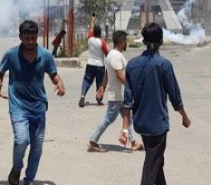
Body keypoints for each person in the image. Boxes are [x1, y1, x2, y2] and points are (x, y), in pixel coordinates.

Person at [0, 20, 66, 185]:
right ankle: (16, 167)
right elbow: (0, 72)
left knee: (37, 147)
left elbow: (53, 74)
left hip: (38, 106)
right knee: (21, 139)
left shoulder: (46, 55)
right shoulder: (11, 54)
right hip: (18, 105)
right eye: (26, 38)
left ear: (36, 37)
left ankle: (29, 179)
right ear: (20, 37)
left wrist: (59, 83)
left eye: (33, 38)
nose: (30, 42)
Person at [120, 23, 192, 185]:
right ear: (161, 42)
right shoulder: (164, 65)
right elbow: (175, 97)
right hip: (158, 124)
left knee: (156, 159)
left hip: (141, 123)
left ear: (144, 41)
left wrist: (125, 128)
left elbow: (127, 100)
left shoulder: (132, 64)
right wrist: (185, 117)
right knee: (153, 161)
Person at [88, 30, 143, 153]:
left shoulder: (111, 54)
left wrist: (102, 87)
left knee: (127, 117)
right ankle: (93, 141)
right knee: (109, 118)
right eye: (126, 41)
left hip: (119, 94)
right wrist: (133, 88)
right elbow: (119, 75)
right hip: (117, 94)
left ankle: (133, 142)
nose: (126, 43)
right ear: (122, 42)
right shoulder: (116, 56)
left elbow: (107, 73)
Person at [79, 14, 108, 108]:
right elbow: (107, 52)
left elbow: (90, 29)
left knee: (87, 80)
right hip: (100, 65)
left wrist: (92, 20)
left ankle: (83, 94)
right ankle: (99, 100)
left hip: (90, 64)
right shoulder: (102, 42)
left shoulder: (90, 39)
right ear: (100, 33)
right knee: (100, 82)